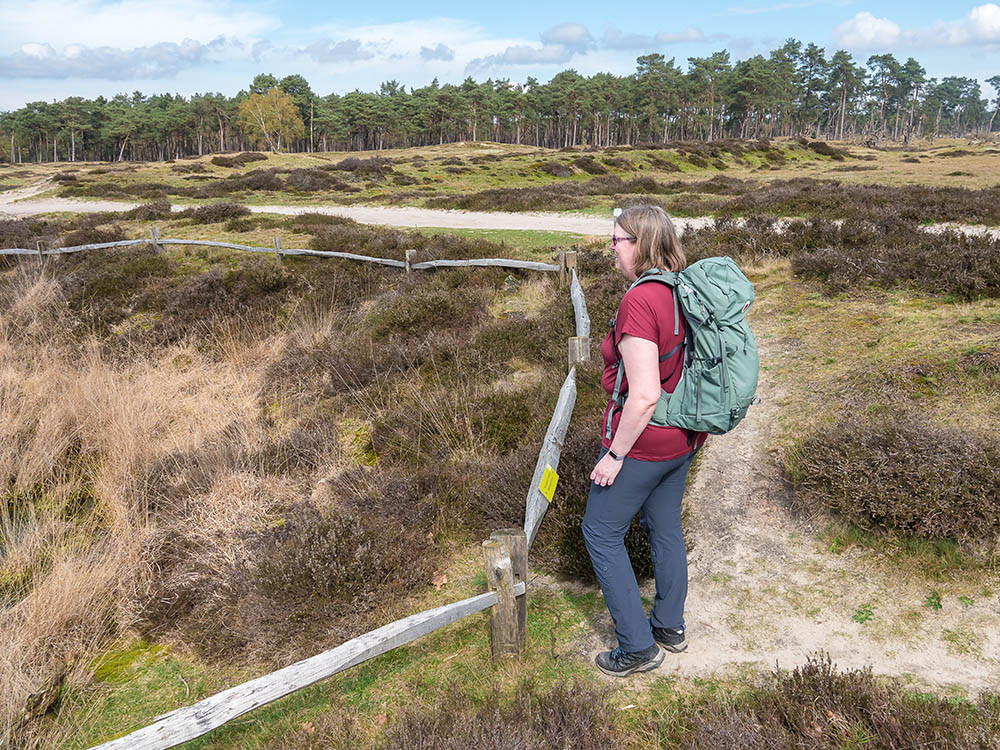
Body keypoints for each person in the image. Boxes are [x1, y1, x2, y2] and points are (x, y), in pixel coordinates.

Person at [583, 204, 706, 677]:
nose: (611, 249)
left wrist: (615, 454)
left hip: (645, 442)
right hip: (684, 439)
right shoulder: (682, 288)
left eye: (617, 240)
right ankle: (670, 626)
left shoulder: (639, 301)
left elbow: (644, 394)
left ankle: (637, 647)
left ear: (641, 244)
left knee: (599, 531)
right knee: (664, 526)